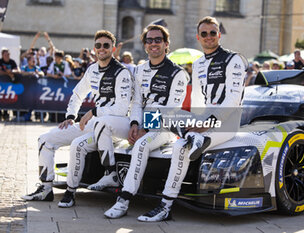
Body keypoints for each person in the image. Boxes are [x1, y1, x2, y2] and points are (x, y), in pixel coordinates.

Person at [134, 16, 247, 222]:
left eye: (213, 33)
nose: (209, 37)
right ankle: (175, 135)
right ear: (198, 37)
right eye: (204, 34)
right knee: (164, 112)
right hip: (204, 122)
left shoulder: (234, 59)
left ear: (219, 35)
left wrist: (206, 123)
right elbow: (197, 101)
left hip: (227, 122)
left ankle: (165, 206)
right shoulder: (198, 64)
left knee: (180, 147)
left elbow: (232, 99)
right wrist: (194, 121)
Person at [20, 30, 132, 205]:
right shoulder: (92, 69)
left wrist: (94, 112)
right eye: (98, 45)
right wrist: (71, 115)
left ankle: (70, 192)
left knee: (77, 145)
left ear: (113, 49)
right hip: (92, 123)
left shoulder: (122, 72)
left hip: (113, 127)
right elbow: (77, 94)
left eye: (106, 45)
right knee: (44, 139)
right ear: (94, 48)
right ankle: (45, 189)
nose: (101, 49)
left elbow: (122, 108)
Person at [103, 24, 189, 219]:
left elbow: (171, 109)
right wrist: (135, 124)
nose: (153, 44)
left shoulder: (178, 73)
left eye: (158, 40)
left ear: (166, 44)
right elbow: (136, 102)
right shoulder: (139, 70)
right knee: (104, 125)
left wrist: (146, 128)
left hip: (166, 126)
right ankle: (106, 174)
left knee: (141, 144)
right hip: (142, 123)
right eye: (149, 40)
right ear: (144, 45)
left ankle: (124, 199)